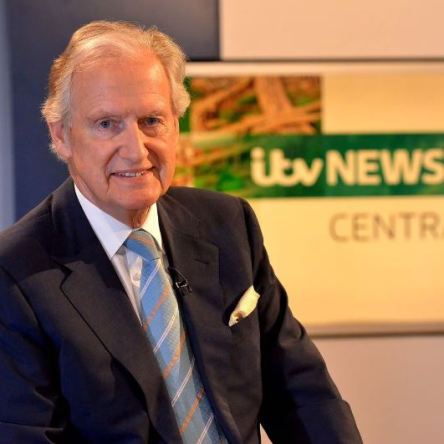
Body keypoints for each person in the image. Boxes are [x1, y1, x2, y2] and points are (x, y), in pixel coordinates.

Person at [0, 21, 362, 443]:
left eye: (151, 120)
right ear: (61, 135)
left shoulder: (228, 224)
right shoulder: (16, 274)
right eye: (107, 124)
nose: (136, 149)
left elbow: (302, 392)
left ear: (176, 124)